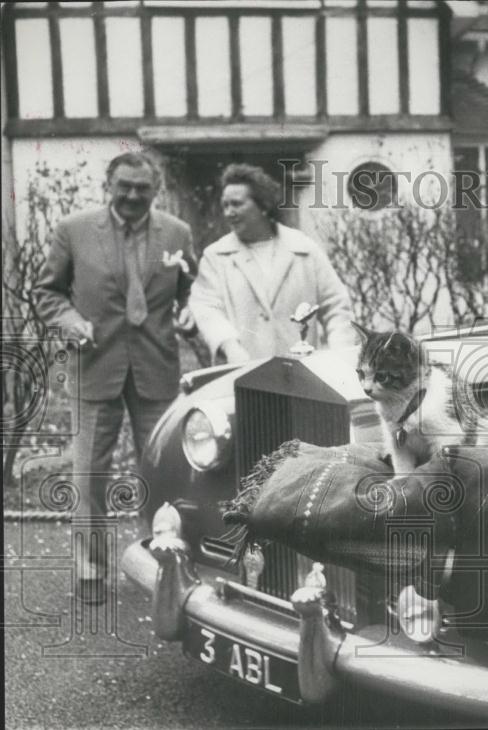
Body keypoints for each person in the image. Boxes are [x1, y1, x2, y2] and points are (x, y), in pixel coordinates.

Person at [35, 151, 197, 604]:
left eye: (141, 188)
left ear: (155, 189)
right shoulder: (74, 230)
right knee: (89, 473)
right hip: (95, 364)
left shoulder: (178, 234)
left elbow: (192, 293)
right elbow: (46, 291)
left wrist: (187, 314)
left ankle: (166, 564)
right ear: (109, 185)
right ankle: (90, 570)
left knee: (166, 473)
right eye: (123, 185)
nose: (131, 195)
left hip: (156, 366)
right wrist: (69, 321)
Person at [189, 163, 354, 363]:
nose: (228, 212)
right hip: (244, 373)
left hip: (302, 373)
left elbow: (336, 304)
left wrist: (339, 352)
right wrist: (229, 346)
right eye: (225, 205)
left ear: (264, 205)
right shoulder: (216, 256)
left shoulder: (304, 249)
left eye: (237, 204)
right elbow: (206, 308)